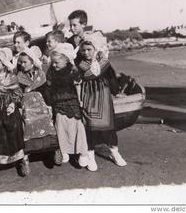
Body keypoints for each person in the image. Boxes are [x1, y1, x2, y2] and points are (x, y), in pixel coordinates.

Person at [75, 40, 127, 171]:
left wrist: (116, 92)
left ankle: (115, 152)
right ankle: (91, 156)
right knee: (90, 127)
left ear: (95, 49)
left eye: (89, 49)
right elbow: (76, 81)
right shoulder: (78, 63)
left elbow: (111, 78)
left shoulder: (104, 62)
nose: (86, 53)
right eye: (83, 50)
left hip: (104, 96)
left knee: (109, 126)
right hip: (88, 96)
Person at [0, 47, 27, 175]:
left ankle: (20, 157)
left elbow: (18, 93)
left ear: (4, 64)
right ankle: (1, 157)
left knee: (13, 123)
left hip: (8, 105)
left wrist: (13, 104)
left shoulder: (11, 77)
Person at [46, 43, 90, 168]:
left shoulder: (72, 70)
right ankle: (64, 150)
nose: (54, 65)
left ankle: (83, 152)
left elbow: (78, 86)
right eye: (53, 62)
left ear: (66, 59)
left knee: (78, 126)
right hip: (58, 102)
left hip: (72, 101)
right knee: (60, 125)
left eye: (56, 62)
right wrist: (49, 103)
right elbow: (49, 88)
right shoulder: (51, 71)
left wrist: (80, 101)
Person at [17, 46, 59, 174]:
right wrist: (19, 106)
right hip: (27, 105)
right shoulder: (19, 76)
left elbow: (46, 92)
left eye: (25, 62)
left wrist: (50, 106)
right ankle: (25, 158)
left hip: (41, 104)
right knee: (28, 122)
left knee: (47, 119)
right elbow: (17, 94)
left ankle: (55, 149)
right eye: (21, 62)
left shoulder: (40, 75)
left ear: (32, 61)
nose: (22, 64)